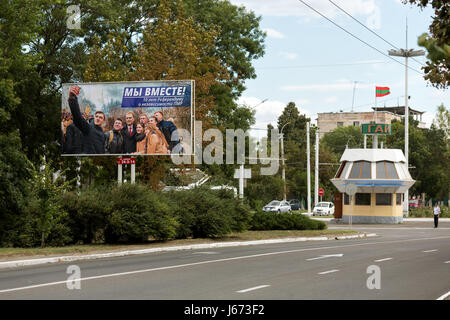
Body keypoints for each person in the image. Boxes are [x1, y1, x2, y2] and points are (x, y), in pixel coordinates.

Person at [68, 87, 106, 154]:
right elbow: (77, 117)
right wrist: (72, 98)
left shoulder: (103, 134)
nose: (98, 118)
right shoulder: (88, 128)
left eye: (100, 117)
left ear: (104, 120)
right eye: (96, 116)